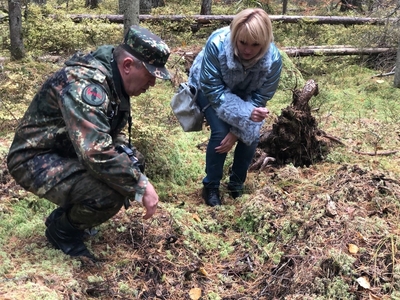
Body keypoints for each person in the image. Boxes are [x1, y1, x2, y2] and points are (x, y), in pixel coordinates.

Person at [7, 25, 171, 260]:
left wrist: (129, 160)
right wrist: (140, 185)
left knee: (131, 163)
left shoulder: (113, 80)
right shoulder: (86, 84)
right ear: (127, 65)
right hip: (33, 157)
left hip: (67, 149)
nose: (152, 84)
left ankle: (67, 215)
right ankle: (62, 232)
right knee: (109, 193)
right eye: (150, 75)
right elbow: (96, 152)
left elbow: (113, 131)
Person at [188, 8, 282, 206]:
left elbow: (260, 97)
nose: (248, 50)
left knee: (251, 136)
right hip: (209, 88)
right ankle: (211, 187)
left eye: (255, 45)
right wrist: (241, 119)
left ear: (265, 43)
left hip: (246, 96)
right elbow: (213, 89)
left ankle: (236, 185)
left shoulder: (273, 60)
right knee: (221, 133)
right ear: (235, 36)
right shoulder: (217, 44)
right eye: (242, 42)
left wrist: (239, 130)